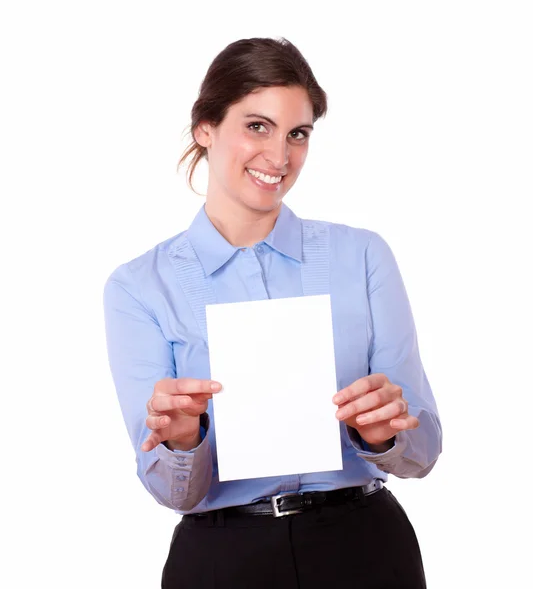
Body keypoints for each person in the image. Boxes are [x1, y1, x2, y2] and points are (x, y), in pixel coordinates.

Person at [103, 37, 442, 589]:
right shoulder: (139, 287)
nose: (280, 157)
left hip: (365, 549)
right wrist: (183, 441)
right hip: (222, 559)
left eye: (298, 134)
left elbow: (423, 452)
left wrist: (384, 435)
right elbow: (173, 492)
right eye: (257, 126)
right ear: (205, 128)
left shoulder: (362, 256)